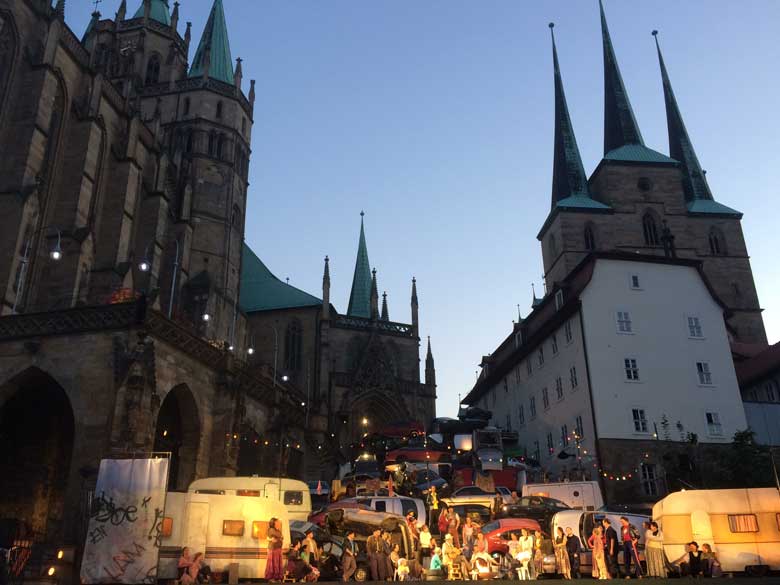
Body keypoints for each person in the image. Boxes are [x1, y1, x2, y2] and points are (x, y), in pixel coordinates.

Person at [266, 518, 285, 582]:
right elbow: (268, 537)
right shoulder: (271, 529)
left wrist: (281, 538)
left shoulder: (278, 530)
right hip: (273, 548)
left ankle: (277, 577)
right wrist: (271, 539)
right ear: (273, 523)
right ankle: (271, 577)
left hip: (278, 548)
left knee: (278, 563)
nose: (278, 523)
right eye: (277, 522)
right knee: (273, 563)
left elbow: (281, 536)